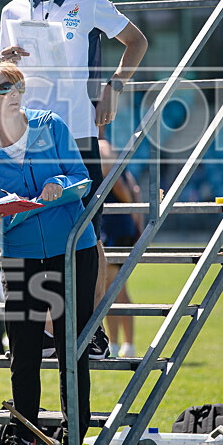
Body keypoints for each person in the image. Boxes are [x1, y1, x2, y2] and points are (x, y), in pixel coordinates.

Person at [0, 0, 148, 359]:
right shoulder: (11, 11)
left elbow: (136, 41)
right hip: (32, 137)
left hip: (79, 133)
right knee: (35, 232)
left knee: (87, 235)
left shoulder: (89, 0)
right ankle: (46, 330)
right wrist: (4, 64)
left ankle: (92, 329)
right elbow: (6, 81)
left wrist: (116, 87)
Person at [0, 62, 98, 445]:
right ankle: (24, 440)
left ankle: (71, 439)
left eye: (17, 84)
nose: (13, 91)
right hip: (20, 258)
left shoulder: (51, 124)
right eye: (3, 86)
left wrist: (61, 185)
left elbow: (82, 179)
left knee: (70, 350)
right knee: (23, 354)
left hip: (73, 250)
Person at [98, 138, 143, 358]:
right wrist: (136, 219)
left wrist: (129, 210)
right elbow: (134, 186)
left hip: (114, 225)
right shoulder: (112, 148)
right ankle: (125, 343)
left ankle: (117, 344)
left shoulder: (100, 146)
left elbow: (117, 183)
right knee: (117, 288)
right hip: (121, 226)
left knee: (112, 289)